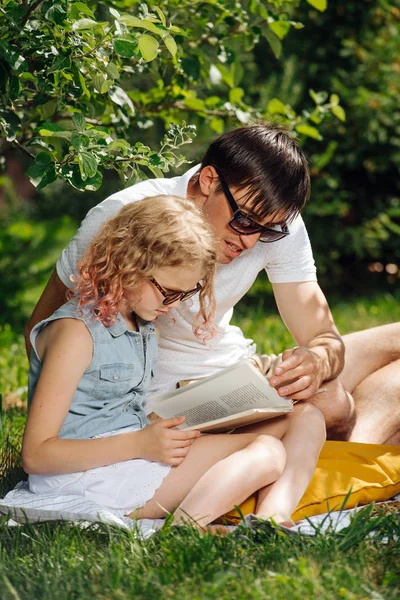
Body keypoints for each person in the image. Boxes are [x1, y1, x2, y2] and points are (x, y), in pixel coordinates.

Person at [24, 124, 400, 445]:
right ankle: (355, 452)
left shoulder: (273, 223)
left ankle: (350, 444)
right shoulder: (126, 218)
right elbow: (41, 333)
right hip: (157, 403)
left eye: (267, 231)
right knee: (333, 404)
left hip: (236, 373)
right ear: (209, 180)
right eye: (246, 221)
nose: (251, 241)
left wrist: (317, 360)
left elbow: (322, 332)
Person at [22, 195, 326, 529]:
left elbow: (120, 409)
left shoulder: (141, 323)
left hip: (132, 452)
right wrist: (140, 443)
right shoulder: (75, 333)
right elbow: (36, 455)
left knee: (305, 417)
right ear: (128, 263)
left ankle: (272, 519)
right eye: (168, 292)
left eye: (183, 295)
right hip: (83, 477)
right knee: (266, 452)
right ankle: (185, 529)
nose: (172, 306)